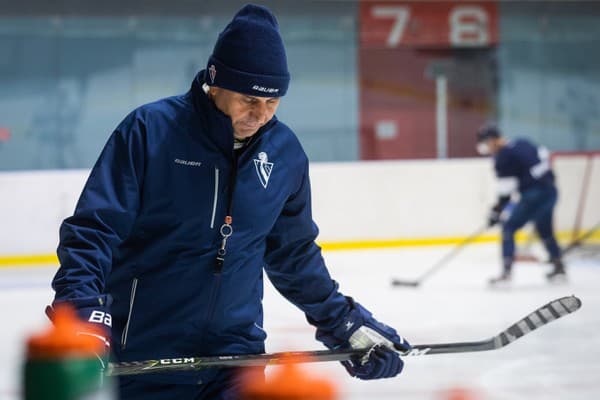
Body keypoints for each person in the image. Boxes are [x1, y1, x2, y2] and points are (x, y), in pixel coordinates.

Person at [47, 4, 411, 399]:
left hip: (236, 362)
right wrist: (81, 312)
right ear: (215, 81)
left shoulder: (284, 152)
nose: (260, 115)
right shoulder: (150, 132)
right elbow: (93, 232)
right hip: (144, 359)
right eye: (248, 100)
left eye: (272, 103)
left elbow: (293, 254)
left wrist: (343, 322)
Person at [476, 123, 566, 284]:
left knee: (508, 228)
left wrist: (497, 211)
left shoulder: (503, 157)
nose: (486, 149)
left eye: (485, 144)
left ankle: (506, 273)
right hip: (551, 192)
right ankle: (558, 265)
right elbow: (545, 160)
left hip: (533, 195)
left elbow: (506, 191)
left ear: (492, 141)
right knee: (545, 229)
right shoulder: (522, 142)